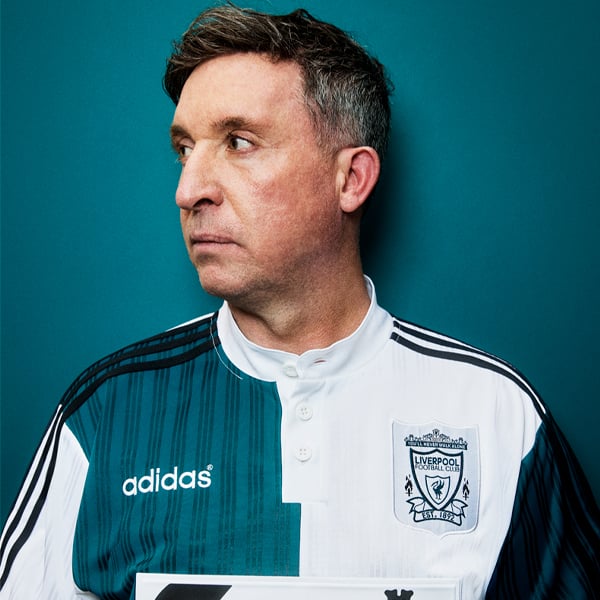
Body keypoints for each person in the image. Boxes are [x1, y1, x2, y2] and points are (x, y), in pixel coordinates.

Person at [1, 4, 598, 599]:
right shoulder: (105, 414)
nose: (188, 190)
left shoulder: (499, 416)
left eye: (238, 142)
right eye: (185, 149)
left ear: (351, 180)